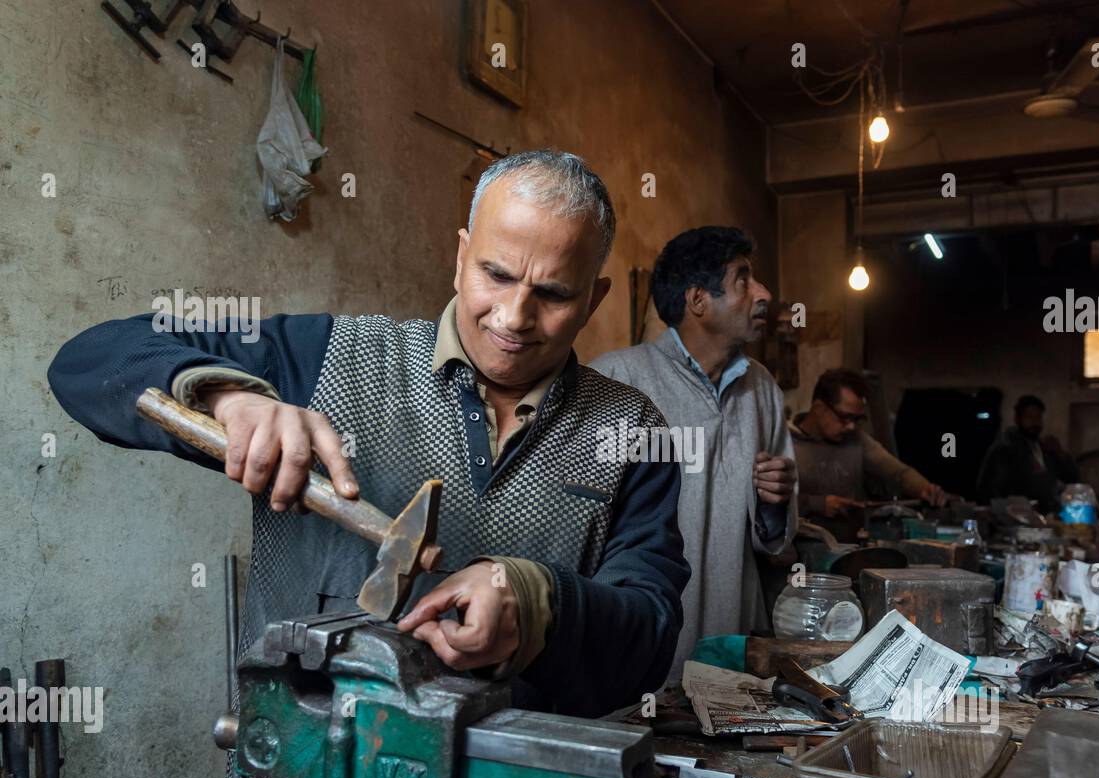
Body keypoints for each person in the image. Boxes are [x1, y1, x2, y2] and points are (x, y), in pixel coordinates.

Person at [48, 150, 689, 719]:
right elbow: (85, 362)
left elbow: (650, 641)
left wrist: (539, 604)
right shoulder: (327, 357)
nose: (514, 316)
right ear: (461, 255)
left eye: (551, 292)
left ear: (594, 298)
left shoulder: (629, 431)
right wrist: (225, 393)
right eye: (495, 275)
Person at [591, 227, 796, 680]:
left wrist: (775, 504)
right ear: (698, 300)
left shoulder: (761, 388)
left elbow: (775, 542)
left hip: (733, 641)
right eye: (744, 278)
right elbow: (584, 529)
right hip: (641, 644)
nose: (764, 293)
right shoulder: (617, 380)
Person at [792, 368, 946, 543]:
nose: (851, 427)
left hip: (847, 549)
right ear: (819, 408)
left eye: (857, 419)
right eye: (845, 417)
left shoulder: (856, 440)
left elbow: (897, 473)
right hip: (799, 549)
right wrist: (817, 504)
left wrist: (924, 488)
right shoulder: (786, 442)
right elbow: (765, 502)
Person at [976, 393, 1079, 511]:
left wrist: (1061, 454)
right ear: (1017, 419)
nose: (1034, 422)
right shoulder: (1004, 449)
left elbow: (1072, 479)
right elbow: (990, 490)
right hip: (1016, 518)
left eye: (1038, 417)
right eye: (1029, 417)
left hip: (1045, 518)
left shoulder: (1045, 448)